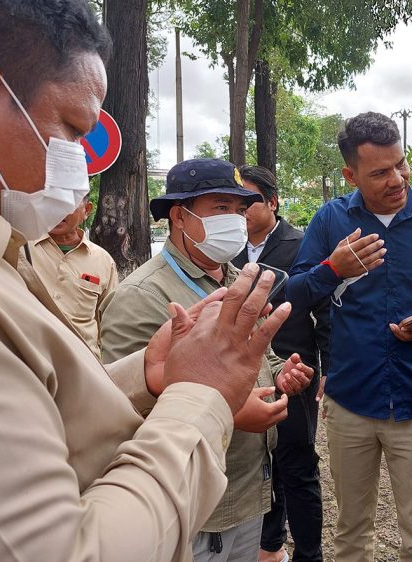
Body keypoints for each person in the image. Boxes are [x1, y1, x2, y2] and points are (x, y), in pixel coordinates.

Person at [0, 1, 291, 560]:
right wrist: (200, 395)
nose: (82, 164)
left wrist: (146, 378)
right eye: (73, 130)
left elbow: (41, 421)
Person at [100, 158, 315, 562]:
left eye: (238, 209)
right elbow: (124, 404)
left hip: (246, 488)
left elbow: (259, 359)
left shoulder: (239, 280)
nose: (235, 220)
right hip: (193, 504)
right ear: (180, 217)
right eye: (220, 208)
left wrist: (280, 374)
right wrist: (232, 410)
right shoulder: (142, 296)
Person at [287, 111, 412, 561]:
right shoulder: (330, 222)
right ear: (351, 174)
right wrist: (333, 269)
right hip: (349, 403)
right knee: (351, 534)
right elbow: (294, 295)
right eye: (380, 172)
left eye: (400, 164)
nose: (397, 179)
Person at [231, 165, 330, 562]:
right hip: (243, 372)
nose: (240, 211)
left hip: (293, 370)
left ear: (272, 202)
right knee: (257, 463)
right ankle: (270, 544)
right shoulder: (227, 250)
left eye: (249, 201)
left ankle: (309, 553)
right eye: (233, 204)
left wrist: (329, 368)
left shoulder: (301, 245)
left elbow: (325, 311)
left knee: (296, 464)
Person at [31, 197, 118, 356]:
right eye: (51, 202)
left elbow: (110, 324)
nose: (56, 210)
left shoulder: (103, 262)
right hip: (31, 360)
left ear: (87, 209)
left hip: (83, 365)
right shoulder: (22, 249)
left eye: (66, 202)